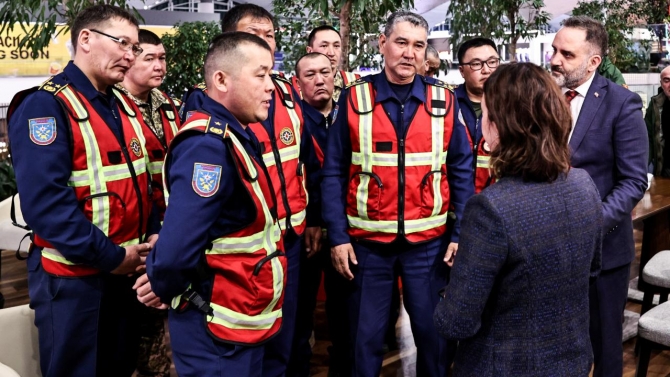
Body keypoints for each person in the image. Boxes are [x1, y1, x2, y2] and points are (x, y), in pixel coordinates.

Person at [321, 11, 474, 377]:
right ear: (382, 44)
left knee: (434, 340)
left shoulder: (444, 101)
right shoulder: (356, 99)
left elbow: (462, 171)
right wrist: (338, 237)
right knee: (365, 342)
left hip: (429, 247)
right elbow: (333, 172)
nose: (409, 53)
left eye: (418, 45)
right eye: (401, 42)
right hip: (367, 248)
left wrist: (459, 233)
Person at [7, 5, 155, 376]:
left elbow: (142, 180)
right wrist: (111, 257)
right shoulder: (46, 105)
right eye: (123, 43)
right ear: (86, 39)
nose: (129, 55)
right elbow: (47, 208)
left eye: (134, 48)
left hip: (125, 271)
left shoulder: (122, 104)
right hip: (74, 281)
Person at [434, 62, 603, 376]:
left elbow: (457, 321)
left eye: (485, 113)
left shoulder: (490, 209)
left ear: (500, 126)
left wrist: (446, 292)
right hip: (573, 360)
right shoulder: (584, 185)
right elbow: (590, 271)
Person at [180, 5, 320, 376]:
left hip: (289, 239)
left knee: (285, 338)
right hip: (241, 249)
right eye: (253, 34)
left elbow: (305, 163)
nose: (264, 42)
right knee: (246, 344)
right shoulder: (209, 103)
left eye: (270, 35)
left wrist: (314, 220)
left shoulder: (288, 95)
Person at [137, 32, 285, 377]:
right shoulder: (207, 146)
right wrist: (162, 282)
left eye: (271, 75)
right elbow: (177, 250)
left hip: (239, 317)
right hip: (214, 326)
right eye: (260, 75)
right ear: (221, 79)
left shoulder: (233, 135)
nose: (270, 87)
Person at [550, 16, 648, 377]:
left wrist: (590, 226)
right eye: (554, 50)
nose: (555, 59)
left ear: (593, 61)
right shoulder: (543, 96)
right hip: (547, 250)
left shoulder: (622, 103)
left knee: (605, 346)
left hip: (602, 252)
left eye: (566, 54)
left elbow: (634, 181)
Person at [116, 29, 180, 377]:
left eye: (163, 58)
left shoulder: (167, 105)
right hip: (130, 234)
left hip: (167, 229)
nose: (160, 66)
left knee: (163, 334)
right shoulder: (113, 106)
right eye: (150, 58)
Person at [288, 52, 354, 377]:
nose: (319, 80)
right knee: (300, 316)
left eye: (325, 72)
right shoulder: (292, 122)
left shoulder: (351, 115)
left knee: (346, 316)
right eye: (310, 74)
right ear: (298, 83)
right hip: (307, 233)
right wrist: (312, 217)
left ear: (336, 75)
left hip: (347, 232)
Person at [455, 38, 500, 194]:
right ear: (461, 71)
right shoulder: (448, 103)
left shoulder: (511, 105)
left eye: (492, 62)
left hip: (496, 201)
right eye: (476, 64)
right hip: (455, 203)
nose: (486, 70)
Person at [302, 25, 360, 102]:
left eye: (336, 46)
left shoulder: (355, 83)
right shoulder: (296, 87)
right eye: (324, 46)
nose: (331, 53)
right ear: (309, 51)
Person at [645, 66, 670, 176]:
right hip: (663, 169)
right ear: (661, 83)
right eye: (667, 80)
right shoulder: (655, 104)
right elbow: (647, 137)